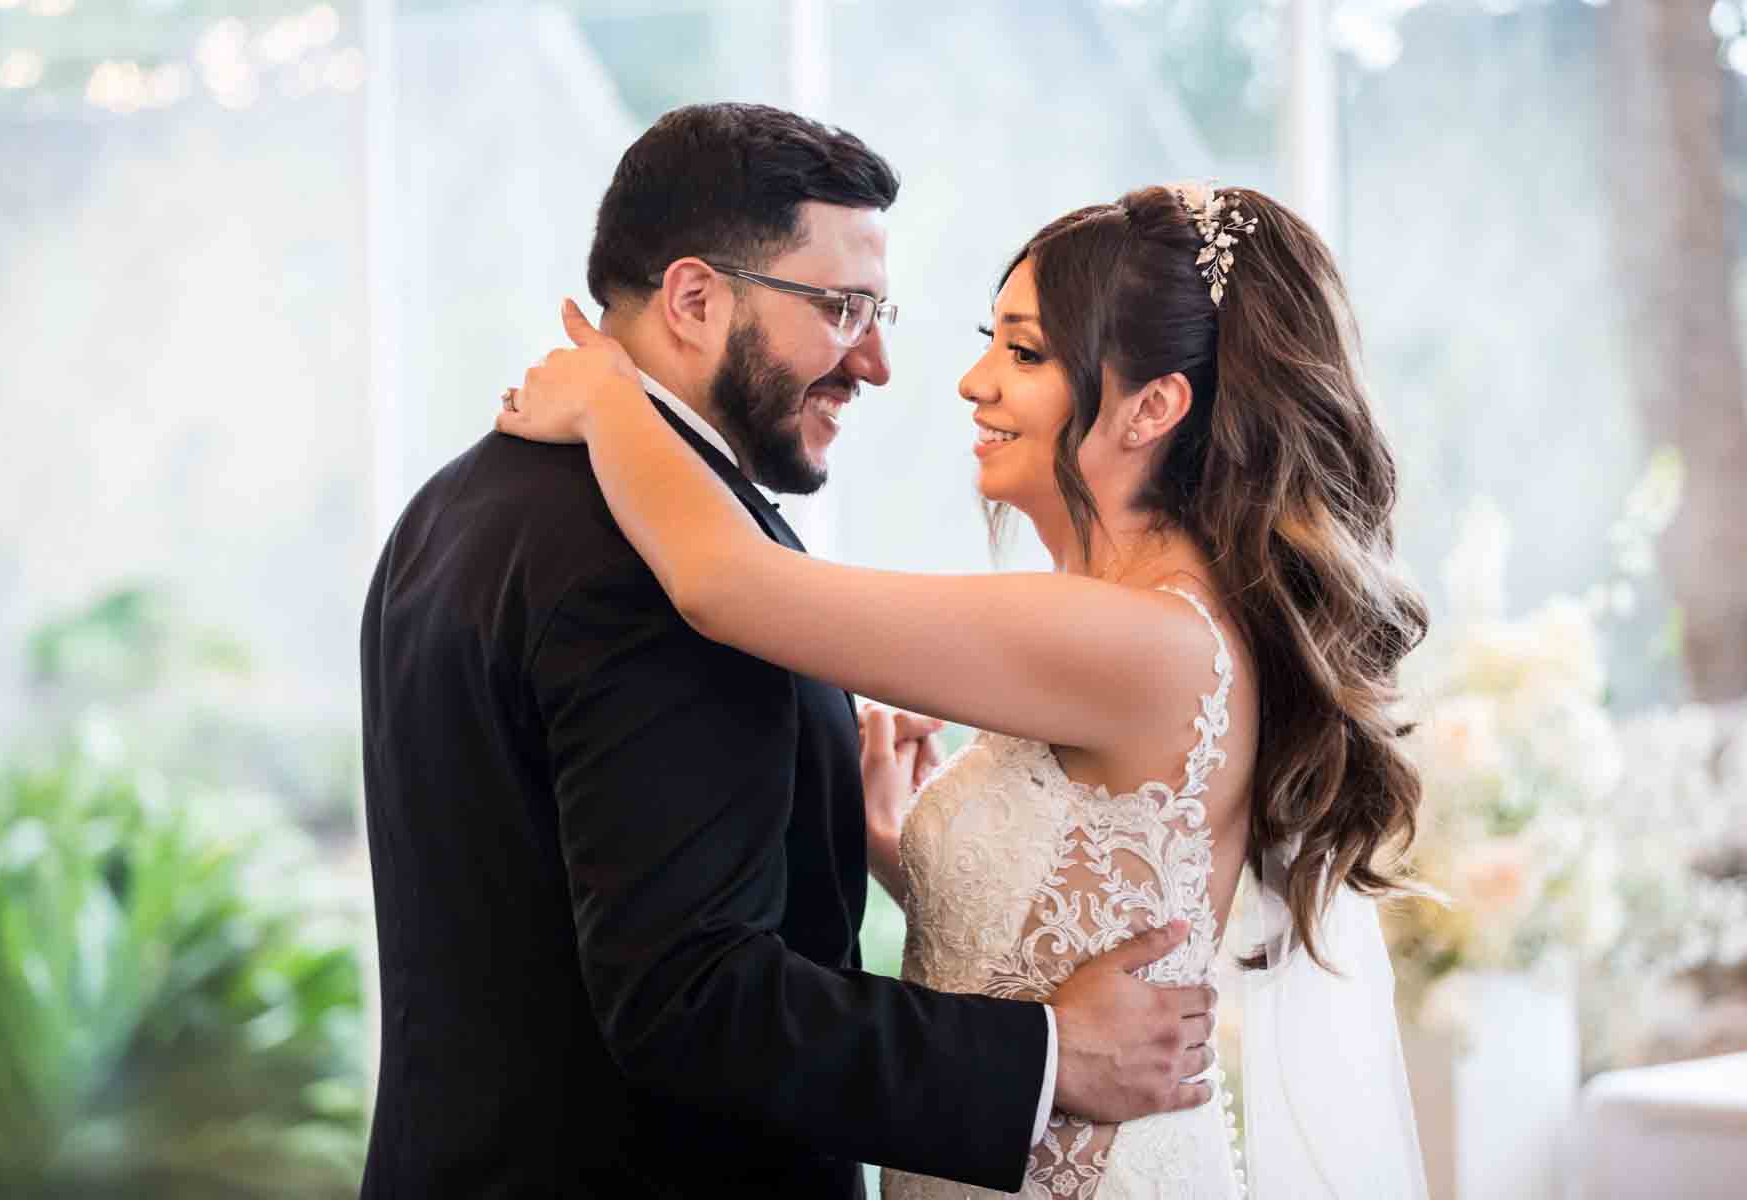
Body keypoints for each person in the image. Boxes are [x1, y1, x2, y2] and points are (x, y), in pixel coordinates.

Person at [497, 180, 1433, 1198]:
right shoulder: (1136, 626)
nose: (972, 382)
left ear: (1154, 406)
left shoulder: (1141, 638)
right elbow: (1082, 909)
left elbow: (728, 585)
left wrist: (607, 396)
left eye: (1024, 353)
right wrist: (911, 855)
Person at [358, 103, 1217, 1200]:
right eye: (843, 308)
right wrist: (1051, 1057)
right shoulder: (650, 562)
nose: (879, 362)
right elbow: (691, 994)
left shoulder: (458, 503)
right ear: (696, 298)